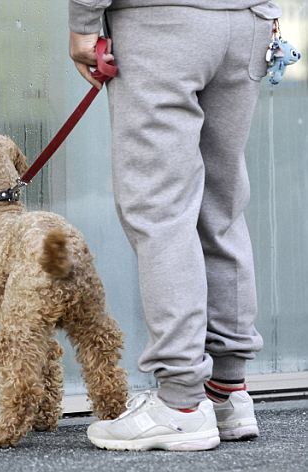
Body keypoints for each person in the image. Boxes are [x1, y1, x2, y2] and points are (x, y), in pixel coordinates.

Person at [68, 0, 282, 451]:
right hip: (247, 23)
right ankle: (226, 390)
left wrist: (84, 22)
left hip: (163, 24)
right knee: (220, 207)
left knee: (161, 210)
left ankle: (181, 403)